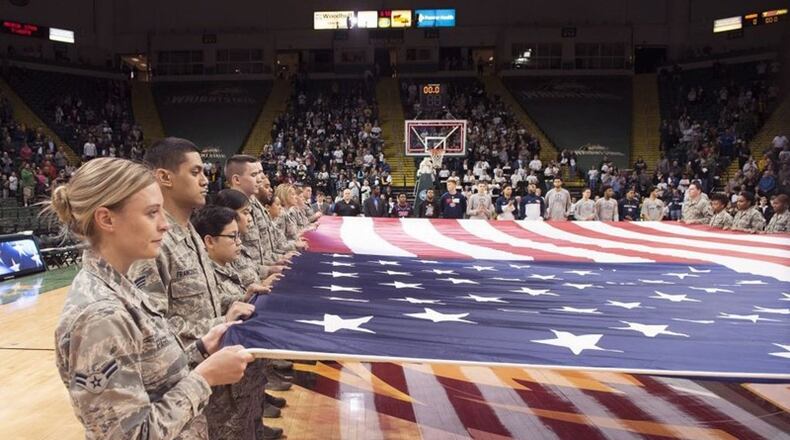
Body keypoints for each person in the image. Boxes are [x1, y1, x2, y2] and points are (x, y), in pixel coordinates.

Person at [50, 157, 253, 439]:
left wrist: (201, 349)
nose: (164, 225)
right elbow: (130, 435)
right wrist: (205, 377)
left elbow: (153, 375)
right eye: (151, 213)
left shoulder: (121, 287)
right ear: (106, 219)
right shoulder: (100, 316)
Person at [126, 138, 267, 439]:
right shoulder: (155, 243)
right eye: (195, 172)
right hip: (184, 383)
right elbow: (152, 329)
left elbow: (201, 297)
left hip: (211, 376)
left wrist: (232, 305)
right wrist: (217, 326)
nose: (205, 180)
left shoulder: (189, 231)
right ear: (164, 177)